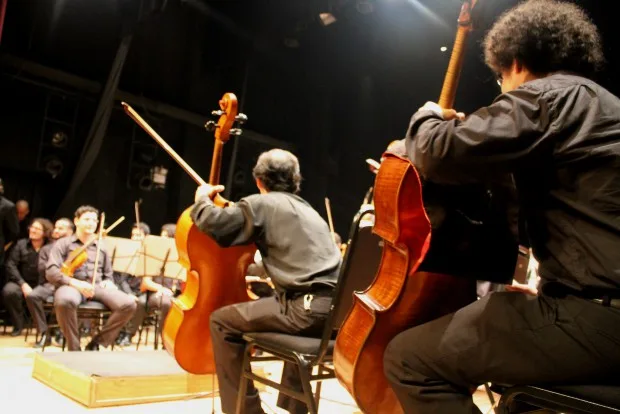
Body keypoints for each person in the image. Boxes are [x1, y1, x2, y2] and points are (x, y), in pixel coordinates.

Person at [383, 1, 620, 413]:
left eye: (500, 77)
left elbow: (438, 151)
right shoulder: (606, 107)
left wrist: (429, 117)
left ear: (516, 62)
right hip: (602, 315)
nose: (502, 89)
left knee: (409, 359)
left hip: (598, 325)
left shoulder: (549, 99)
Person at [192, 149, 341, 414]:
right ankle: (296, 408)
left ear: (259, 181)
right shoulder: (310, 212)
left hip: (303, 312)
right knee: (282, 308)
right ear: (296, 180)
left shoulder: (261, 204)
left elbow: (217, 224)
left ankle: (246, 411)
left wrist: (202, 200)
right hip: (337, 318)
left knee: (221, 321)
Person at [46, 205, 137, 351]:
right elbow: (51, 271)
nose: (91, 223)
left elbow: (108, 275)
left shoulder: (101, 246)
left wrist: (109, 283)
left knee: (128, 304)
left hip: (97, 287)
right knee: (64, 301)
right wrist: (75, 283)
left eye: (94, 220)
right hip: (71, 286)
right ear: (76, 221)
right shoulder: (63, 243)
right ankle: (74, 348)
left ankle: (96, 344)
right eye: (87, 219)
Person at [115, 222, 172, 347]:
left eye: (138, 235)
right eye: (133, 235)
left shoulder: (152, 254)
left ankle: (129, 334)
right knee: (133, 301)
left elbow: (147, 282)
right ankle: (122, 333)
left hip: (143, 290)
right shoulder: (127, 252)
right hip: (126, 289)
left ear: (146, 237)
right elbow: (122, 279)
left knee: (140, 302)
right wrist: (129, 293)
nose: (135, 238)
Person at [26, 218, 74, 347]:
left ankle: (62, 331)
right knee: (32, 296)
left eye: (61, 228)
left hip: (71, 285)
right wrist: (58, 270)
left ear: (70, 231)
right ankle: (44, 333)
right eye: (56, 227)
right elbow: (42, 269)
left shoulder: (77, 248)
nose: (56, 230)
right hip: (50, 283)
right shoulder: (47, 249)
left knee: (71, 299)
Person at [2, 218, 53, 336]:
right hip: (22, 281)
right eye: (32, 227)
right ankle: (18, 323)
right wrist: (22, 284)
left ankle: (47, 328)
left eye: (37, 228)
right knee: (9, 291)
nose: (33, 230)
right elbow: (11, 264)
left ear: (45, 232)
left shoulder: (51, 247)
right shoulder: (21, 244)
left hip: (43, 283)